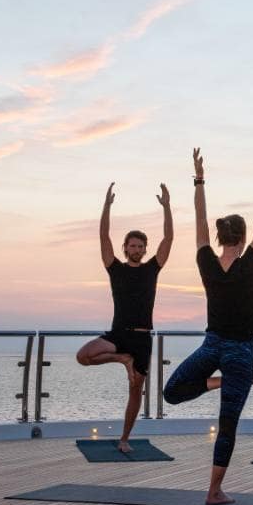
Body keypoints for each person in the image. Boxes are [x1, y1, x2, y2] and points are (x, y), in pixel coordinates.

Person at [163, 144, 253, 505]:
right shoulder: (251, 261)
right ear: (242, 239)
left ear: (219, 238)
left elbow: (198, 220)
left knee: (172, 392)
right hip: (239, 351)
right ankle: (213, 491)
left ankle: (215, 488)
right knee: (227, 424)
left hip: (212, 345)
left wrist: (198, 179)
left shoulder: (206, 261)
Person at [76, 182, 173, 453]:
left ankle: (124, 439)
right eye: (132, 245)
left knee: (135, 391)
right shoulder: (115, 268)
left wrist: (167, 208)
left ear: (144, 249)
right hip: (118, 334)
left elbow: (169, 240)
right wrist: (106, 207)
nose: (137, 249)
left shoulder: (152, 269)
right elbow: (103, 238)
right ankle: (122, 359)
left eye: (141, 245)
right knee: (83, 356)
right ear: (125, 248)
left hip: (142, 338)